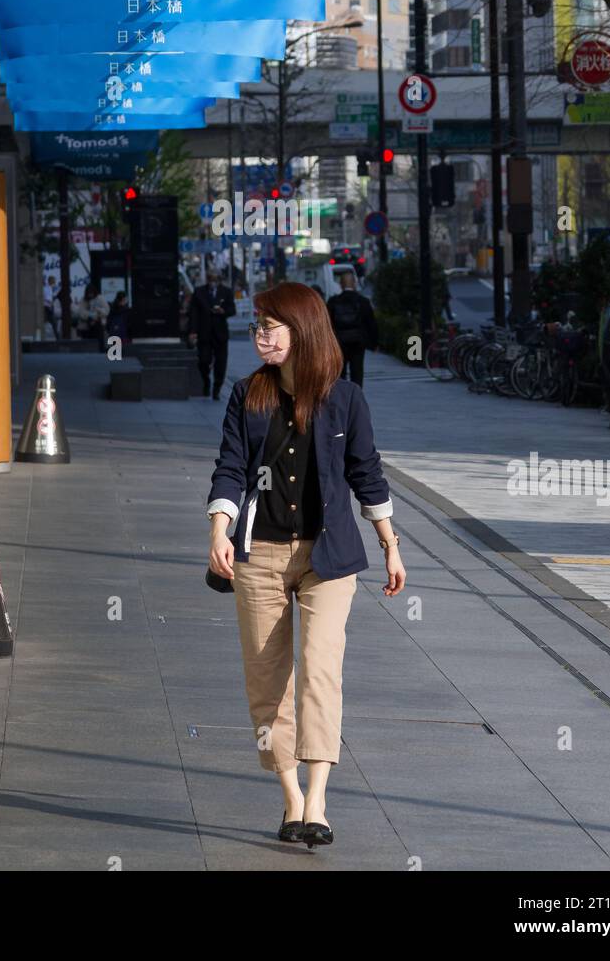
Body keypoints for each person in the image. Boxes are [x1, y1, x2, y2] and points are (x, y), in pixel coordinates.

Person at [206, 282, 405, 848]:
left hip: (329, 555)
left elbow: (367, 474)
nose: (259, 337)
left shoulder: (345, 399)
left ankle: (318, 799)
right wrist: (219, 528)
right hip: (260, 554)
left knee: (320, 670)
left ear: (302, 329)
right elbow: (230, 468)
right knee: (267, 680)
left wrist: (390, 543)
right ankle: (291, 796)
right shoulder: (248, 394)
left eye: (269, 327)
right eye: (256, 327)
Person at [189, 268, 236, 399]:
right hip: (204, 333)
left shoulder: (226, 292)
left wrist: (223, 311)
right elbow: (193, 313)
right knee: (203, 361)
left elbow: (232, 310)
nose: (213, 282)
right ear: (207, 279)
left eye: (215, 280)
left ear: (219, 280)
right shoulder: (199, 292)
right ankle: (206, 382)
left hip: (220, 334)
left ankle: (217, 388)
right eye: (210, 279)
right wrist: (192, 331)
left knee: (221, 363)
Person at [327, 271, 378, 387]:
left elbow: (327, 324)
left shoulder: (333, 302)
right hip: (358, 342)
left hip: (339, 342)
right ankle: (356, 398)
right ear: (354, 283)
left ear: (341, 284)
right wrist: (374, 343)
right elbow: (371, 323)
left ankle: (342, 398)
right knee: (357, 372)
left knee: (340, 373)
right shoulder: (363, 301)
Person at [74, 283, 110, 349]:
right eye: (89, 293)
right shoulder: (83, 300)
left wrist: (98, 312)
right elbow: (80, 312)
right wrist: (91, 315)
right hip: (85, 326)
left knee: (99, 342)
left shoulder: (100, 298)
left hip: (98, 325)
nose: (90, 295)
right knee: (88, 344)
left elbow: (106, 310)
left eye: (92, 293)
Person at [43, 275, 59, 340]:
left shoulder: (49, 288)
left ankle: (57, 337)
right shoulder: (47, 288)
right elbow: (49, 299)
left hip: (49, 307)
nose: (54, 283)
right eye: (54, 281)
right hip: (47, 308)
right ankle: (57, 338)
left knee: (53, 323)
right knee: (53, 323)